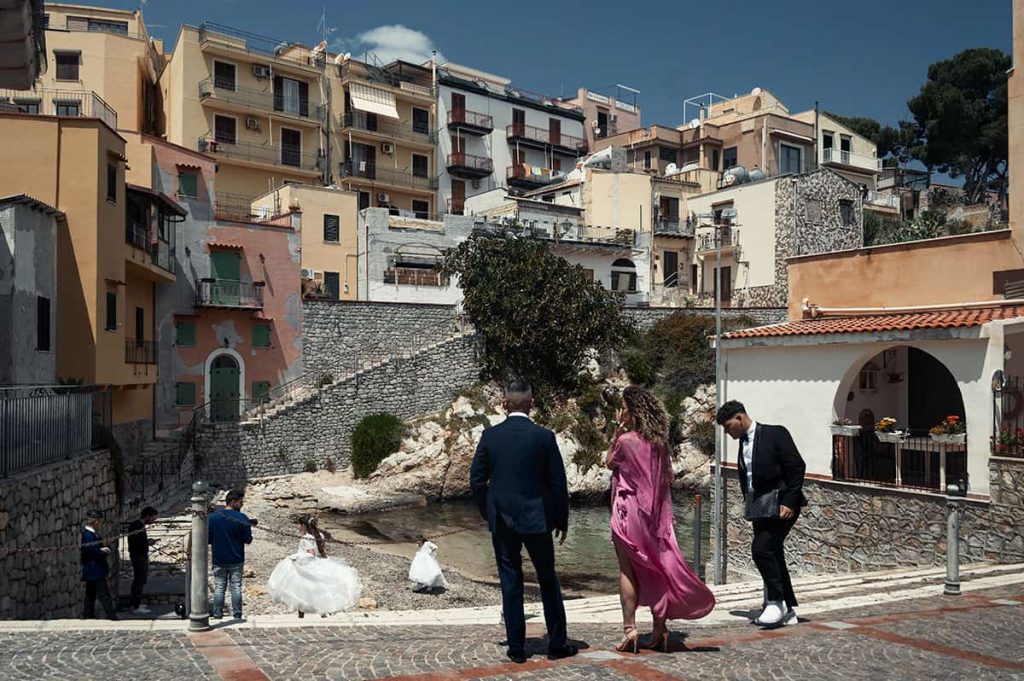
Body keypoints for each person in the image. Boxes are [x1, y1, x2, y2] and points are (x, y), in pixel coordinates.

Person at [470, 380, 578, 665]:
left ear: (504, 404)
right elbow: (557, 483)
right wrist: (560, 520)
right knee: (548, 580)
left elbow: (477, 480)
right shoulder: (544, 436)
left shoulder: (490, 436)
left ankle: (517, 647)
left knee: (510, 581)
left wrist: (488, 511)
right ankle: (556, 643)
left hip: (503, 521)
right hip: (538, 521)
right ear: (531, 403)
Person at [606, 386, 716, 653]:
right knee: (656, 566)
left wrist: (616, 433)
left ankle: (630, 629)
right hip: (654, 515)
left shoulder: (625, 441)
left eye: (623, 407)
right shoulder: (661, 443)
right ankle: (659, 629)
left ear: (630, 411)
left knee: (628, 570)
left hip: (628, 511)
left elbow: (610, 463)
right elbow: (666, 479)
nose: (620, 411)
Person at [716, 400, 807, 628]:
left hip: (781, 506)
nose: (727, 432)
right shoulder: (744, 443)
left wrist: (789, 501)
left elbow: (797, 467)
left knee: (761, 549)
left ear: (739, 418)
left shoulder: (775, 433)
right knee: (774, 552)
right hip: (760, 508)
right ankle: (785, 608)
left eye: (728, 426)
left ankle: (776, 601)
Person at [266, 515, 361, 617]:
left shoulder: (306, 538)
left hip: (308, 565)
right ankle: (323, 612)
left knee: (301, 590)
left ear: (304, 526)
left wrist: (295, 557)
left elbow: (310, 553)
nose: (298, 527)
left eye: (299, 525)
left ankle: (301, 614)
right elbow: (321, 550)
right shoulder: (320, 535)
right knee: (321, 589)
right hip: (321, 562)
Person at [208, 489, 254, 620]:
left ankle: (217, 614)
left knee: (219, 586)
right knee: (236, 586)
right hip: (236, 558)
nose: (242, 504)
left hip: (218, 557)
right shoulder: (242, 518)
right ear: (233, 502)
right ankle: (237, 614)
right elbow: (248, 539)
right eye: (241, 502)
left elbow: (208, 539)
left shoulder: (213, 517)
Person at [81, 510, 117, 620]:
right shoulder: (88, 535)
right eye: (100, 521)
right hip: (94, 569)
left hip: (95, 569)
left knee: (90, 595)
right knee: (104, 594)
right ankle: (112, 617)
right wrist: (105, 550)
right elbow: (92, 551)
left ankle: (88, 616)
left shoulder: (95, 534)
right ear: (96, 521)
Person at [126, 506, 158, 615]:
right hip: (138, 557)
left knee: (140, 580)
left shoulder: (138, 525)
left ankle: (136, 602)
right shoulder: (137, 526)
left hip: (139, 556)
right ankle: (135, 606)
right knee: (139, 580)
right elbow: (138, 543)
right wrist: (148, 543)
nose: (153, 520)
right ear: (148, 516)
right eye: (153, 518)